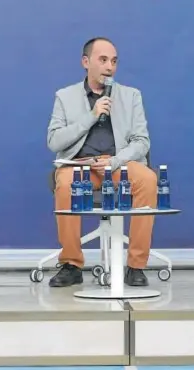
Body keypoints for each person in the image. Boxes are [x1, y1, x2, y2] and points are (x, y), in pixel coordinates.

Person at [47, 37, 157, 287]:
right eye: (103, 60)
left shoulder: (131, 96)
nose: (110, 67)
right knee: (65, 185)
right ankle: (71, 264)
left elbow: (142, 141)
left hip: (116, 163)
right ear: (86, 62)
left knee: (149, 180)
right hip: (79, 165)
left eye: (114, 61)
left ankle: (136, 266)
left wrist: (115, 161)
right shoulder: (65, 97)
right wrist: (91, 115)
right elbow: (54, 142)